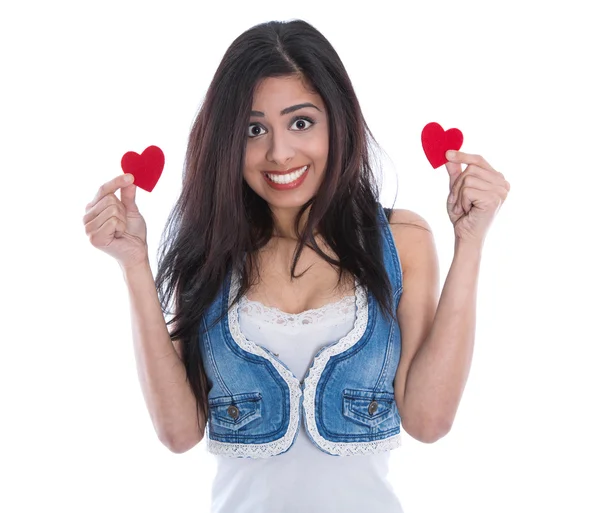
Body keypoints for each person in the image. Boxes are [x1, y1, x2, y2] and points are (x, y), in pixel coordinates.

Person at [82, 18, 510, 513]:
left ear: (337, 122)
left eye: (301, 122)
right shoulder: (207, 251)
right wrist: (133, 263)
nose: (279, 152)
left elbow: (429, 421)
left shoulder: (400, 241)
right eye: (254, 129)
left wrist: (472, 242)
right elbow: (178, 433)